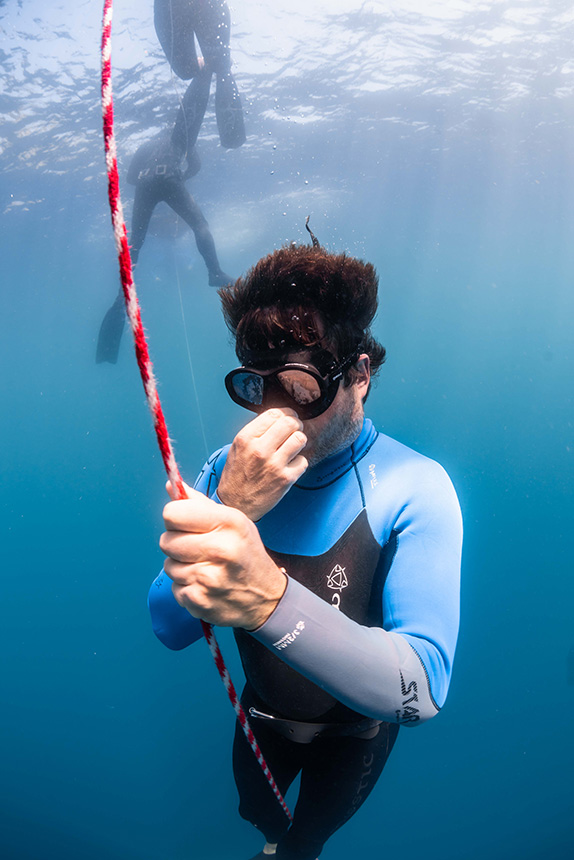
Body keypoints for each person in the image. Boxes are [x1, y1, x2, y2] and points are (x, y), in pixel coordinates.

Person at [148, 239, 463, 860]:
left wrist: (268, 600)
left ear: (360, 374)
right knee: (256, 814)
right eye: (254, 386)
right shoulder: (227, 472)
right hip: (262, 718)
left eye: (299, 385)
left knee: (303, 842)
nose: (275, 412)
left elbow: (423, 690)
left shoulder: (414, 486)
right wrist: (232, 506)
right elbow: (168, 626)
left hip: (357, 736)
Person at [96, 130, 231, 364]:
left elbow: (129, 178)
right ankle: (215, 271)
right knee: (200, 225)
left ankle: (121, 295)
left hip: (144, 186)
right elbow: (195, 166)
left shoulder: (146, 146)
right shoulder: (181, 138)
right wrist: (179, 178)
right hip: (169, 179)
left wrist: (150, 190)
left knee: (136, 242)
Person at [154, 0, 246, 150]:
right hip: (184, 6)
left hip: (170, 8)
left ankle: (208, 68)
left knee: (192, 69)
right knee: (207, 67)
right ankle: (210, 67)